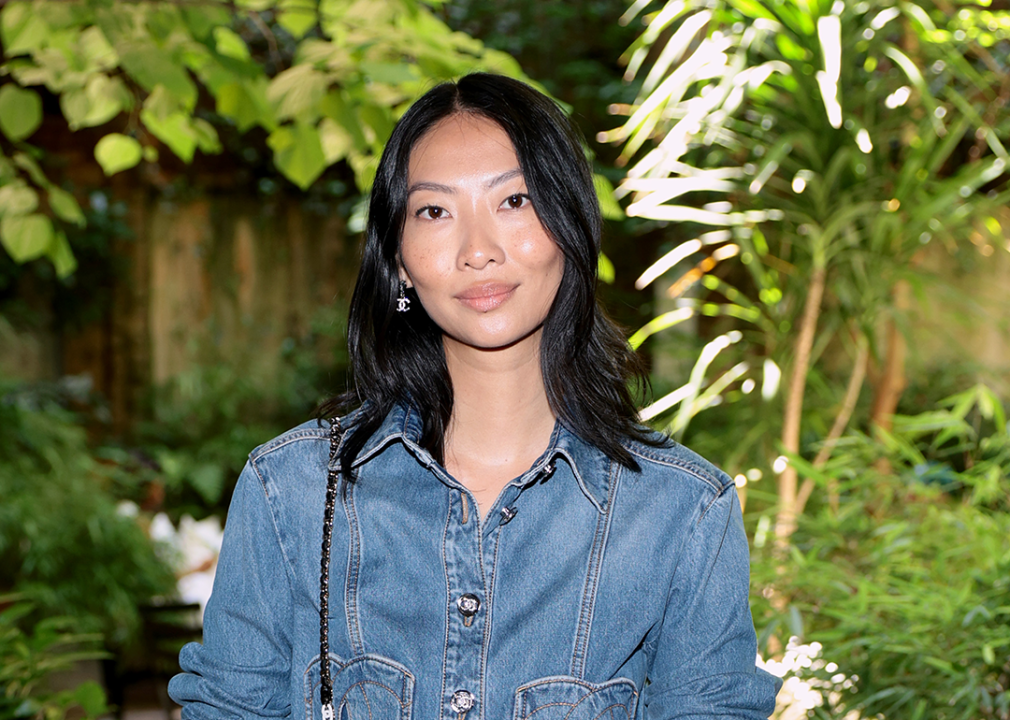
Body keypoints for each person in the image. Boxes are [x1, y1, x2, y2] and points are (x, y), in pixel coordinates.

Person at [168, 73, 780, 720]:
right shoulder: (287, 491)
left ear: (568, 224)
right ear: (400, 260)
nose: (478, 251)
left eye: (514, 201)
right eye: (434, 211)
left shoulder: (683, 515)